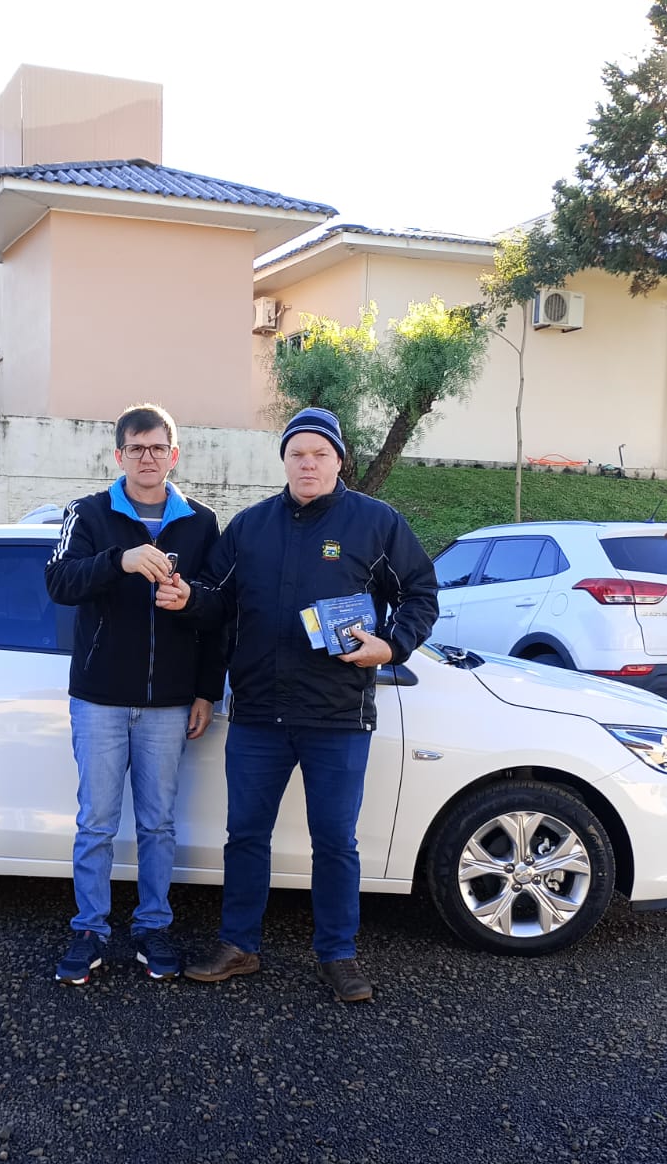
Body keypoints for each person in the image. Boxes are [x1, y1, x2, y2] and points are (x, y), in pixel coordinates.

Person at [155, 406, 438, 1002]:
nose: (308, 464)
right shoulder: (250, 527)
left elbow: (420, 592)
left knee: (335, 841)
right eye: (297, 454)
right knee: (245, 835)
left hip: (337, 716)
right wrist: (187, 599)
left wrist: (392, 645)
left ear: (339, 461)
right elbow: (216, 601)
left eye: (319, 454)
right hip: (259, 713)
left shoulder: (377, 523)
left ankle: (338, 954)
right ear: (283, 461)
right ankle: (239, 945)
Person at [45, 403, 225, 985]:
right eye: (136, 448)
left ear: (174, 455)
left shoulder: (200, 522)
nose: (148, 458)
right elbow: (58, 581)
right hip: (99, 699)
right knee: (97, 822)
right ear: (119, 455)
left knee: (158, 824)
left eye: (157, 448)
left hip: (169, 704)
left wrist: (205, 688)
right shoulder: (88, 513)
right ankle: (89, 929)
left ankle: (152, 926)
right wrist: (117, 561)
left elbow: (220, 609)